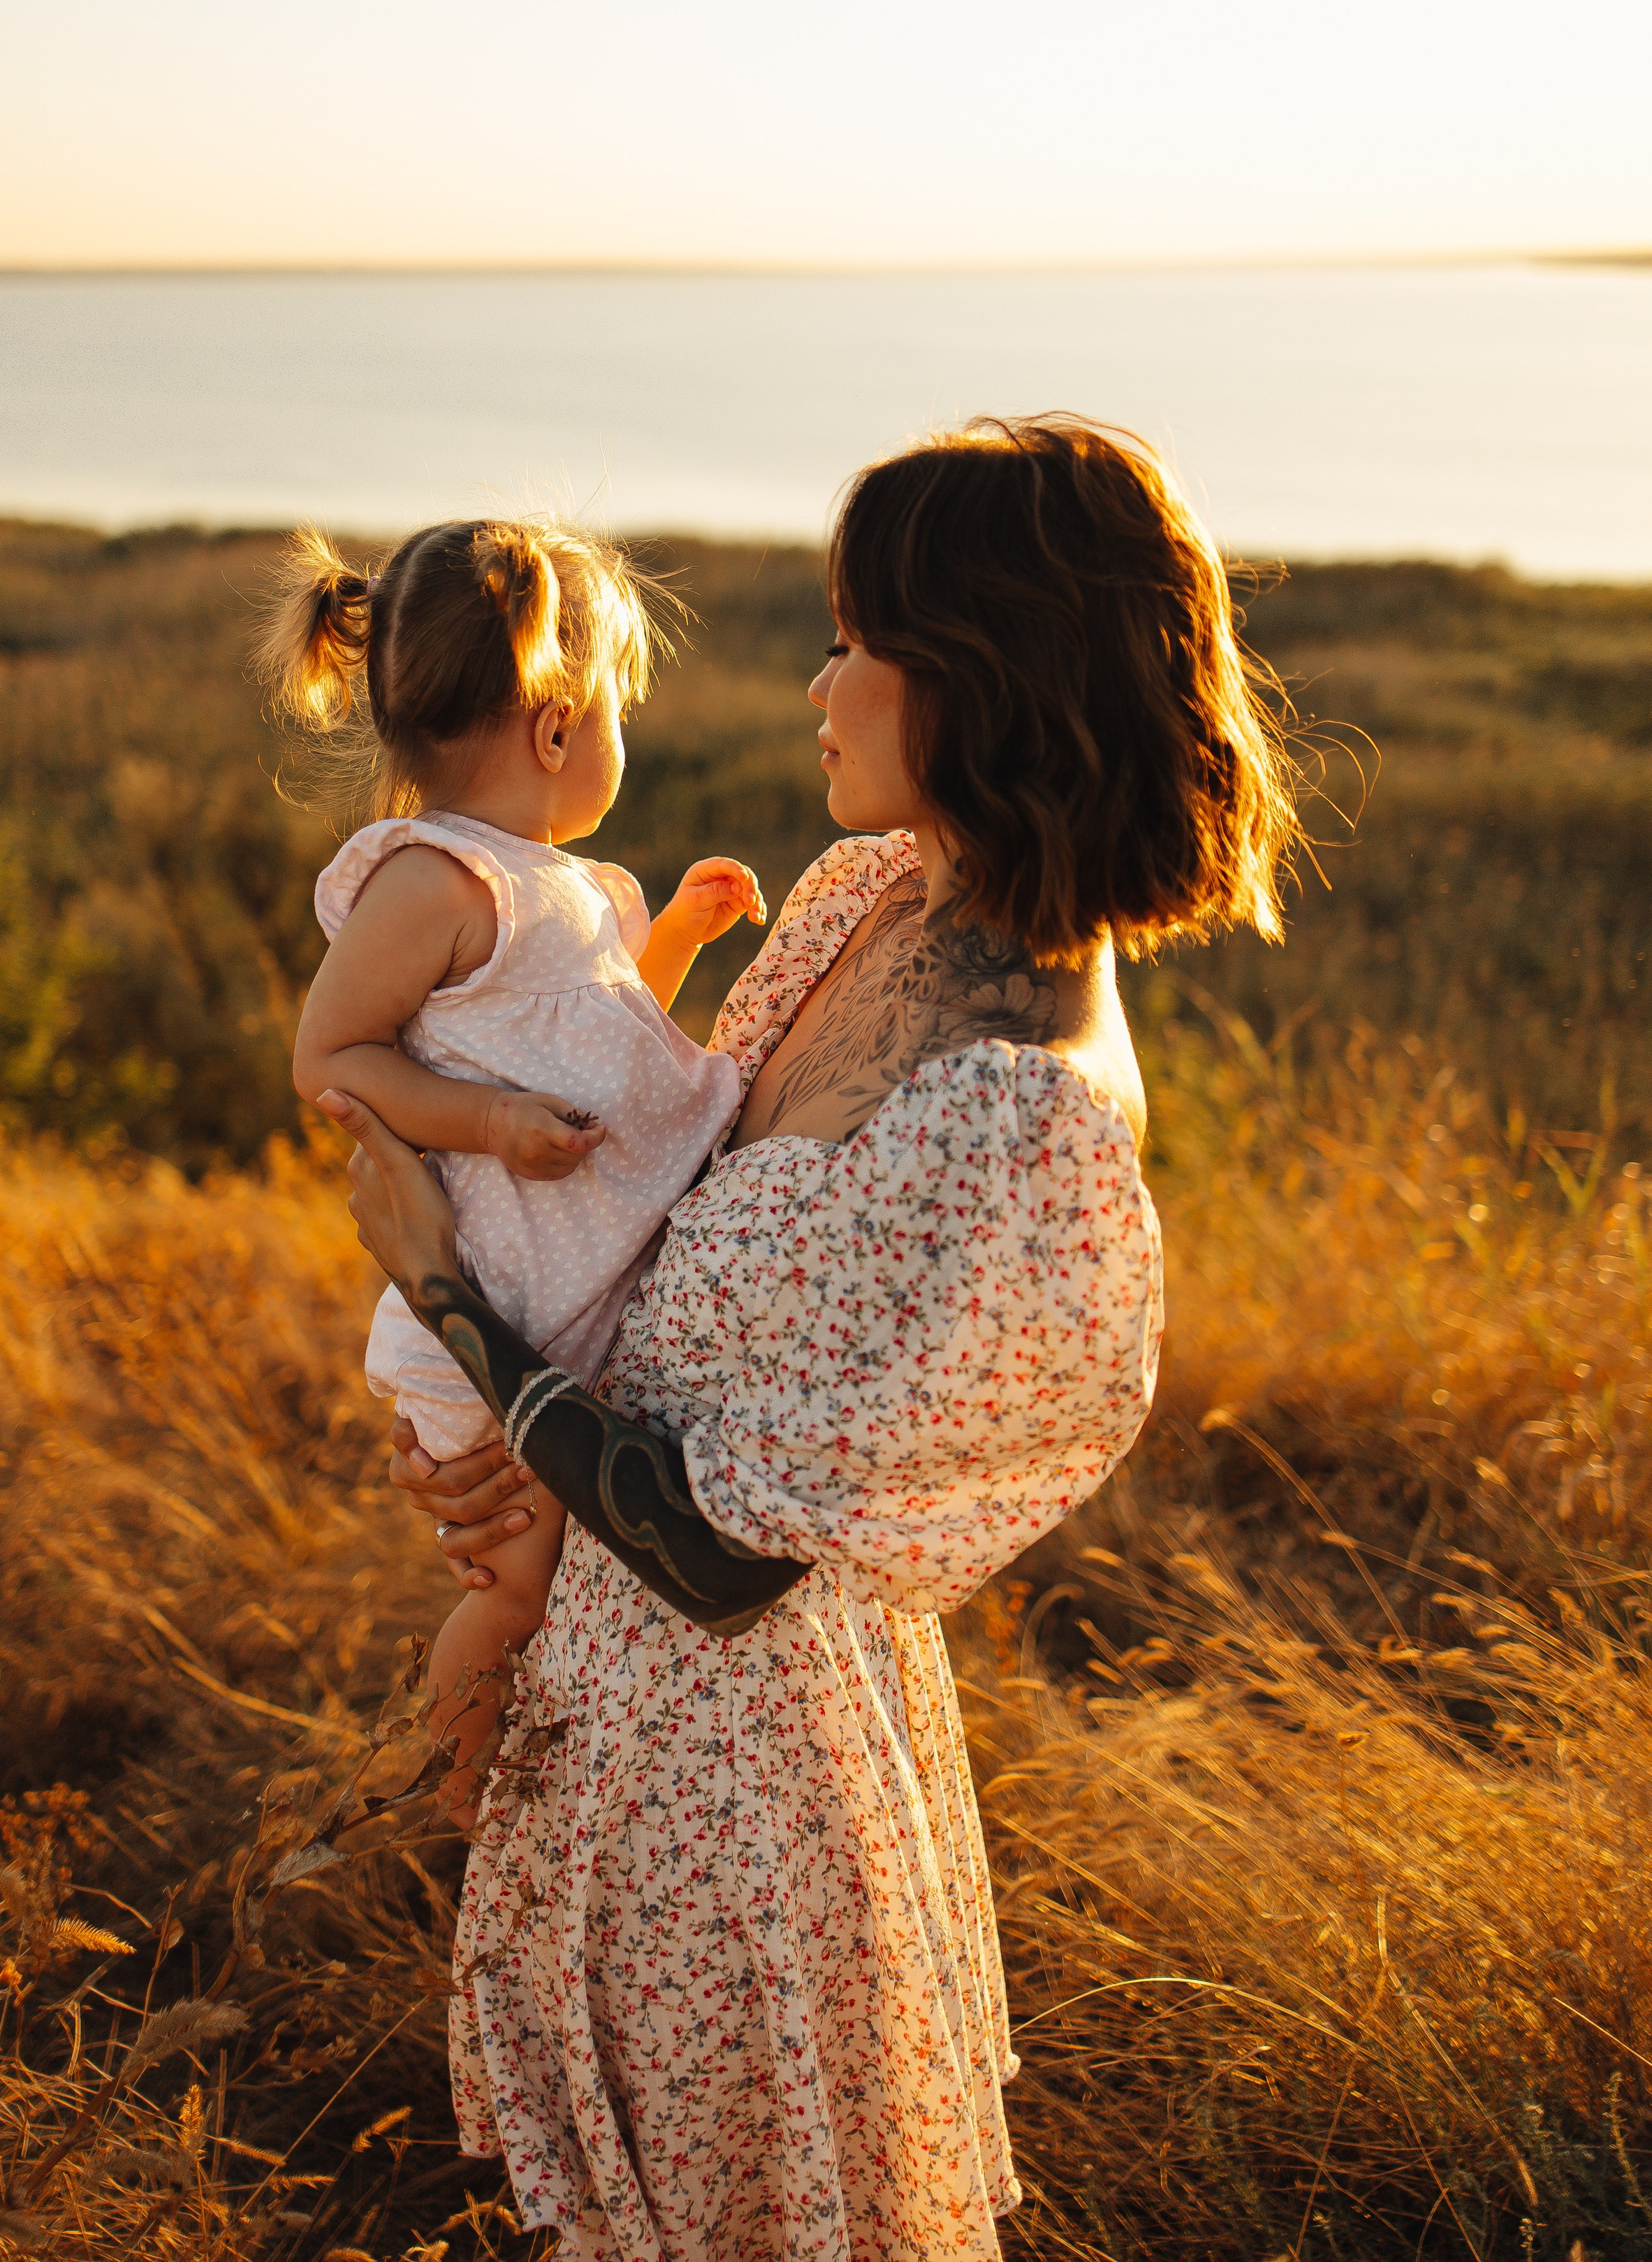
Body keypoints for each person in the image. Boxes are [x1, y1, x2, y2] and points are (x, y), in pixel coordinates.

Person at [319, 416, 1297, 2262]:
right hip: (600, 1714)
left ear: (985, 672)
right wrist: (522, 1475)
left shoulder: (1019, 1117)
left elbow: (726, 1546)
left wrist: (448, 1295)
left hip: (739, 1811)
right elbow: (670, 1224)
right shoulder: (873, 899)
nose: (820, 678)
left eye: (860, 636)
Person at [265, 516, 763, 1818]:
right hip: (495, 1304)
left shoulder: (580, 891)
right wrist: (482, 1127)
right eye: (614, 714)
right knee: (520, 1579)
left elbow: (606, 1060)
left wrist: (681, 945)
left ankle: (525, 1773)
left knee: (565, 1575)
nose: (619, 741)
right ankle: (451, 1786)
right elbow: (332, 1057)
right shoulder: (434, 883)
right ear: (553, 730)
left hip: (565, 1304)